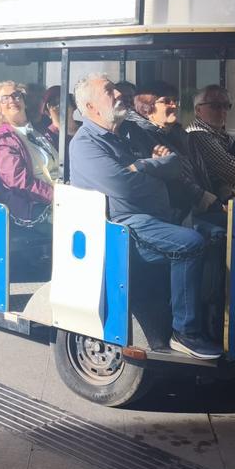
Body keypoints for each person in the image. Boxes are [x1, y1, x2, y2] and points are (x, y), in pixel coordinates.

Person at [68, 73, 220, 360]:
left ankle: (213, 318)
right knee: (189, 244)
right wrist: (154, 167)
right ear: (91, 107)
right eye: (109, 91)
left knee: (220, 233)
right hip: (123, 225)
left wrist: (140, 166)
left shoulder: (129, 132)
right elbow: (124, 186)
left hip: (157, 216)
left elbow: (175, 164)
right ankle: (185, 333)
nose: (118, 95)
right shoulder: (85, 144)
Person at [136, 80, 220, 224]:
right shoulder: (144, 138)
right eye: (167, 101)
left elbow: (198, 169)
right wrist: (204, 198)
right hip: (178, 213)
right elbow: (172, 179)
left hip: (198, 205)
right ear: (146, 109)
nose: (174, 106)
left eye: (175, 101)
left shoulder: (178, 133)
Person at [0, 81, 58, 231]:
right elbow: (20, 183)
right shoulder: (3, 141)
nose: (12, 100)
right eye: (4, 98)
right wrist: (57, 196)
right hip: (34, 206)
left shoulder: (39, 131)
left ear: (24, 101)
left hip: (61, 193)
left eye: (16, 95)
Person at [187, 85, 235, 202]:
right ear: (198, 110)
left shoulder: (222, 134)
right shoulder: (198, 135)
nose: (222, 111)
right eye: (215, 106)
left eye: (226, 106)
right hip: (215, 206)